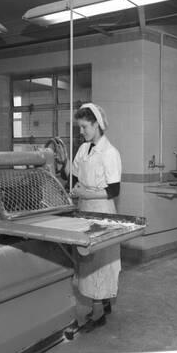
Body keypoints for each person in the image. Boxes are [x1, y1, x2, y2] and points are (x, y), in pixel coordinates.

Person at [61, 102, 122, 332]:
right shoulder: (84, 149)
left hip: (102, 212)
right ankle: (103, 303)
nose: (81, 131)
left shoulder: (110, 153)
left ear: (97, 124)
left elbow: (114, 190)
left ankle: (98, 314)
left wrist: (85, 191)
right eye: (79, 127)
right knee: (87, 261)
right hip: (85, 210)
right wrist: (62, 160)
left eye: (84, 126)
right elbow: (73, 174)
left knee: (100, 262)